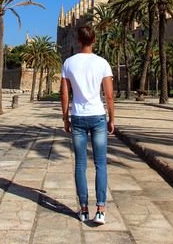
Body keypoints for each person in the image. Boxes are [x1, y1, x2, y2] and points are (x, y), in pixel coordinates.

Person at [60, 25, 114, 225]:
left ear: (78, 41)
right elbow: (109, 95)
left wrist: (66, 118)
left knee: (80, 165)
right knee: (101, 164)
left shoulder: (68, 63)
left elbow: (65, 94)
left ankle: (83, 209)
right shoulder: (102, 63)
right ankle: (100, 210)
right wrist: (112, 119)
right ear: (94, 40)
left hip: (78, 118)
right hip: (98, 116)